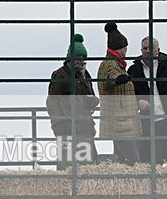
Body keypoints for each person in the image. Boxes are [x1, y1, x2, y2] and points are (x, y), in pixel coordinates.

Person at [127, 37, 167, 167]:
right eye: (145, 48)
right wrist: (139, 101)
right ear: (141, 50)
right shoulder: (134, 70)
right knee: (150, 157)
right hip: (146, 120)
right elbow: (129, 93)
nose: (147, 51)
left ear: (158, 50)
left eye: (151, 48)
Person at [46, 33, 99, 168]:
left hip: (85, 127)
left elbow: (91, 95)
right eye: (78, 58)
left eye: (83, 58)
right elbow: (52, 101)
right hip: (66, 126)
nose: (81, 61)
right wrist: (58, 123)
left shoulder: (85, 75)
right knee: (66, 165)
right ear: (70, 59)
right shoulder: (60, 75)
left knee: (88, 165)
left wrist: (93, 101)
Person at [97, 22, 141, 165]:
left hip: (121, 119)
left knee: (121, 158)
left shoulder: (117, 63)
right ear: (118, 49)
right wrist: (118, 79)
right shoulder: (111, 64)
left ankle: (121, 180)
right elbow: (111, 77)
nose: (126, 52)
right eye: (124, 49)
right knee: (134, 158)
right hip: (119, 120)